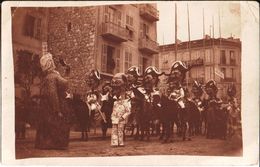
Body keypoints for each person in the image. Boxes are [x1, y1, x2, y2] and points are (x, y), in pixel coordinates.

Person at [35, 53, 70, 150]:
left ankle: (52, 144)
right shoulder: (51, 77)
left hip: (51, 105)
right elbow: (52, 94)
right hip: (53, 106)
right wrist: (57, 110)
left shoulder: (52, 75)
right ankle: (54, 144)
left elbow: (64, 83)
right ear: (50, 63)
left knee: (51, 125)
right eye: (51, 61)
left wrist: (67, 71)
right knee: (56, 124)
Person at [110, 73, 131, 147]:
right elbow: (113, 110)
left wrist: (123, 117)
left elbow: (128, 110)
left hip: (121, 119)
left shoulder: (126, 100)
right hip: (115, 118)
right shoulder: (115, 102)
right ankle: (114, 142)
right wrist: (112, 117)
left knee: (120, 131)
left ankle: (121, 142)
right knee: (114, 131)